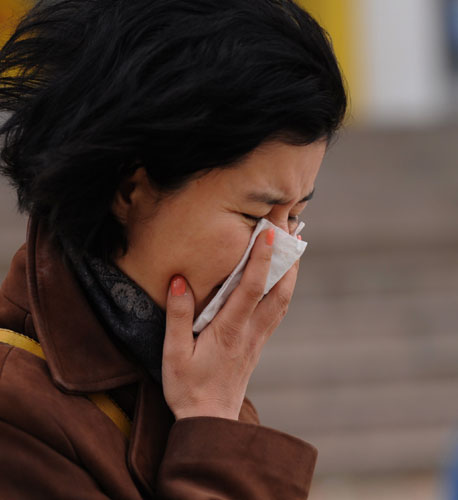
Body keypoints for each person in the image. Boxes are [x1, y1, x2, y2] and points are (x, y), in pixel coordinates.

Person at [0, 0, 347, 498]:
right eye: (254, 216)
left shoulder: (173, 373)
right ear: (129, 191)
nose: (278, 251)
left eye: (293, 218)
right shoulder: (16, 413)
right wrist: (212, 426)